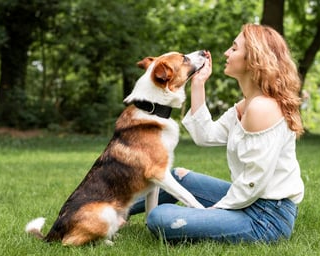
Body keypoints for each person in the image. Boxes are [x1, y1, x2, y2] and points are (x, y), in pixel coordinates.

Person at [130, 23, 304, 244]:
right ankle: (113, 210)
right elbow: (206, 136)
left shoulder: (262, 108)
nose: (226, 53)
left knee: (159, 217)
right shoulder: (247, 104)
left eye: (234, 48)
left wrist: (211, 212)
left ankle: (118, 212)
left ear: (253, 59)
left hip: (266, 218)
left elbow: (253, 182)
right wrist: (198, 84)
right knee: (176, 177)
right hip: (252, 202)